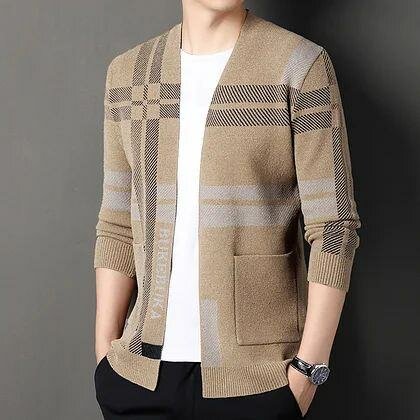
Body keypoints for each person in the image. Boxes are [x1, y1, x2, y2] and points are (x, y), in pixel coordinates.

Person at [93, 1, 361, 419]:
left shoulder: (299, 65)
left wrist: (308, 370)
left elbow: (335, 227)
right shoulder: (128, 73)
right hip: (138, 379)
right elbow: (117, 223)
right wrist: (105, 353)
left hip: (259, 381)